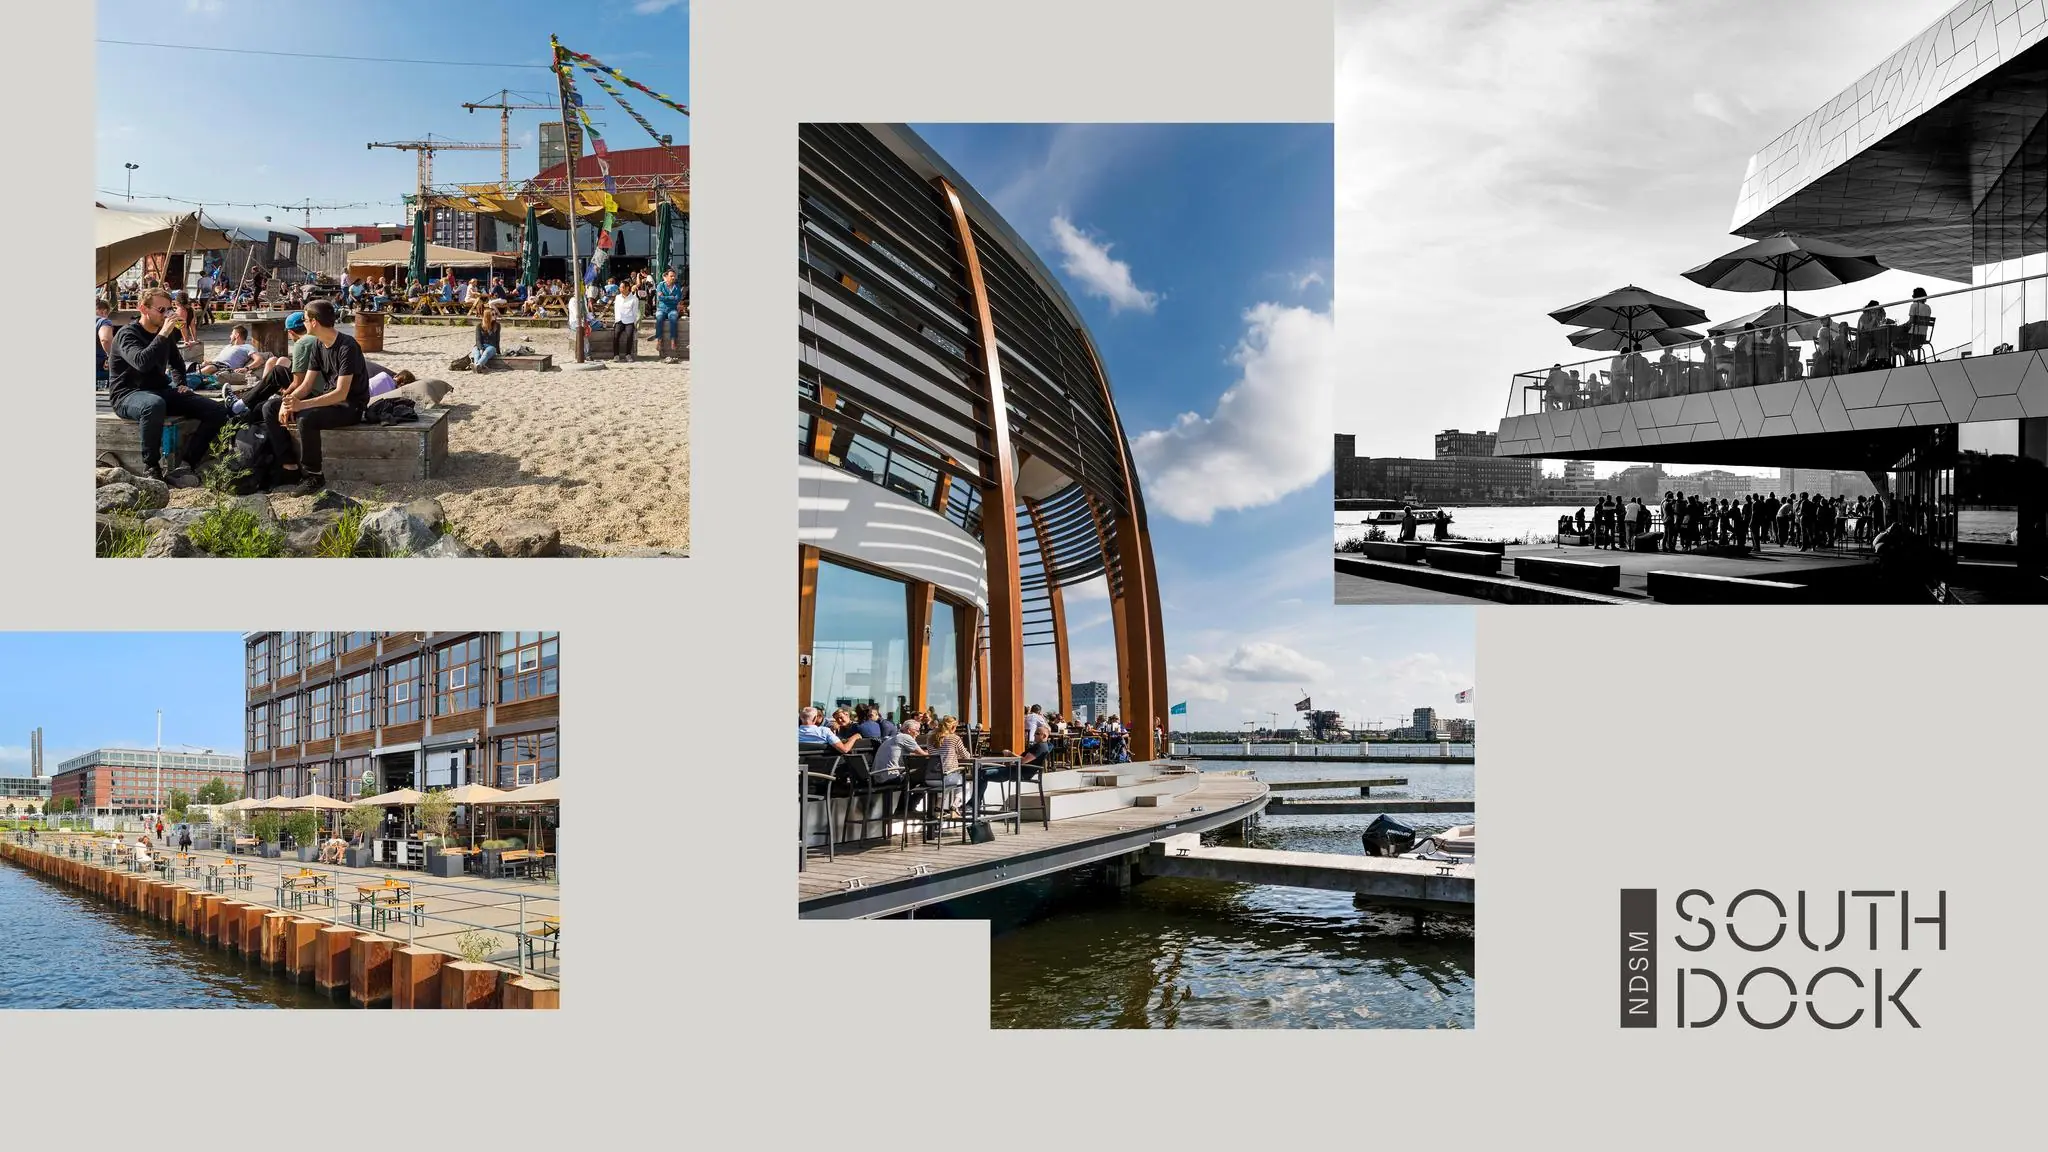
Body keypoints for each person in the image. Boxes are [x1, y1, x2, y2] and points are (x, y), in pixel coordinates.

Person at [108, 287, 230, 483]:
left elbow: (177, 362)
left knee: (216, 410)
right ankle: (151, 467)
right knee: (153, 405)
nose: (166, 314)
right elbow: (142, 362)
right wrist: (164, 332)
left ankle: (187, 462)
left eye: (168, 308)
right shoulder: (127, 334)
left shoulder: (165, 335)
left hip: (159, 390)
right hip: (127, 394)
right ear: (143, 308)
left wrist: (181, 383)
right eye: (161, 309)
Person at [275, 299, 370, 496]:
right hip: (330, 399)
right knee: (270, 408)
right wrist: (288, 402)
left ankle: (314, 475)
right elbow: (307, 384)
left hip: (351, 406)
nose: (304, 323)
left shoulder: (347, 346)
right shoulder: (318, 344)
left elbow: (341, 393)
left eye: (305, 319)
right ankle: (287, 467)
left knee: (306, 418)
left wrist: (301, 405)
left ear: (315, 321)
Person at [612, 278, 641, 361]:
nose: (620, 289)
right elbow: (616, 309)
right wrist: (616, 320)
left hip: (629, 320)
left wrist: (634, 323)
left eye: (622, 287)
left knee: (629, 335)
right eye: (620, 287)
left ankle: (628, 354)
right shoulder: (617, 297)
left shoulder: (634, 299)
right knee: (616, 335)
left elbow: (635, 312)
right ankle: (616, 355)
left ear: (627, 288)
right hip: (619, 320)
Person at [94, 297, 118, 389]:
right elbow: (105, 340)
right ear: (104, 311)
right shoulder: (103, 321)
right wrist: (112, 355)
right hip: (98, 367)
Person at [473, 304, 504, 373]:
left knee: (486, 353)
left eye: (495, 314)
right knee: (476, 353)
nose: (495, 315)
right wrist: (481, 348)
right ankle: (477, 366)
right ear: (487, 316)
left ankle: (478, 365)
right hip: (480, 345)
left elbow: (497, 339)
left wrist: (498, 352)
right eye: (493, 314)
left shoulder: (497, 326)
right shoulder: (479, 326)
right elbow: (478, 340)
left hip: (491, 347)